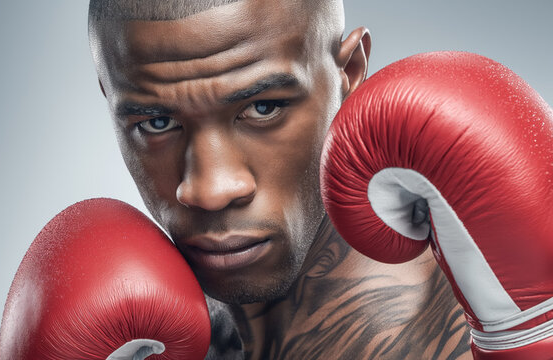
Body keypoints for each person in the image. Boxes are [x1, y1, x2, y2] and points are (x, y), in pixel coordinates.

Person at [87, 0, 472, 358]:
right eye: (158, 122)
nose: (211, 190)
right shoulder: (137, 333)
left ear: (349, 73)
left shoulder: (457, 334)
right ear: (109, 95)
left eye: (263, 107)